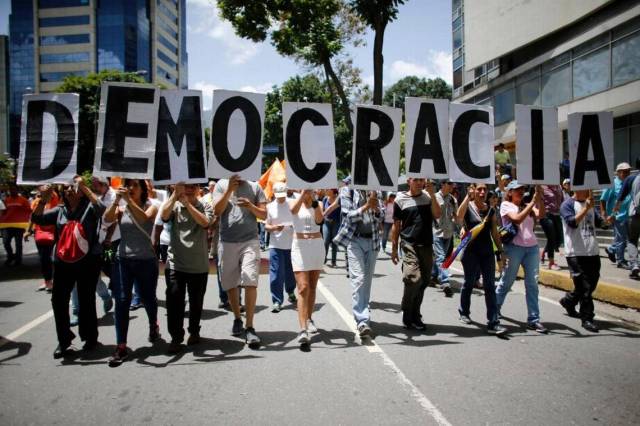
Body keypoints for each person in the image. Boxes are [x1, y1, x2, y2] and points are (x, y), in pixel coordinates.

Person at [31, 178, 105, 358]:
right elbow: (37, 219)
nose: (69, 190)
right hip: (63, 263)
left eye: (72, 187)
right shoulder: (59, 211)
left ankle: (89, 337)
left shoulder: (89, 208)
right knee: (58, 301)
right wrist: (43, 199)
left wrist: (85, 187)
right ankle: (64, 341)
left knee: (86, 300)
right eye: (66, 188)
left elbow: (101, 208)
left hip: (87, 262)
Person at [104, 179, 160, 365]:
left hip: (146, 260)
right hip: (123, 260)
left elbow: (144, 218)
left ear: (143, 190)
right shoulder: (122, 208)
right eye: (128, 185)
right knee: (121, 300)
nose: (130, 188)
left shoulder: (152, 206)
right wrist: (115, 201)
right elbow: (107, 218)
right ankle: (121, 345)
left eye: (135, 185)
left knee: (147, 298)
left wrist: (128, 200)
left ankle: (153, 324)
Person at [212, 175, 267, 348]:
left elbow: (264, 215)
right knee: (230, 284)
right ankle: (237, 318)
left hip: (250, 240)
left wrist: (250, 206)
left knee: (250, 280)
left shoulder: (255, 187)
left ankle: (250, 326)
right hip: (227, 241)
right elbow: (216, 210)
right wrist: (229, 190)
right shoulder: (221, 185)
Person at [161, 183, 213, 354]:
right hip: (176, 263)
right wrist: (175, 195)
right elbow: (164, 216)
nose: (189, 189)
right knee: (174, 301)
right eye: (186, 186)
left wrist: (188, 205)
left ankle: (194, 331)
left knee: (196, 302)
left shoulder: (205, 204)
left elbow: (205, 223)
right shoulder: (174, 203)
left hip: (198, 264)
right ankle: (176, 337)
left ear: (198, 188)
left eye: (193, 186)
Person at [495, 182, 549, 334]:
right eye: (517, 190)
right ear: (510, 192)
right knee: (507, 281)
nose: (520, 192)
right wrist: (532, 202)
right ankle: (494, 311)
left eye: (522, 189)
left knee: (532, 284)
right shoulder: (506, 205)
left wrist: (540, 198)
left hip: (532, 248)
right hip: (514, 248)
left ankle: (534, 319)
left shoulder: (528, 205)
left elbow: (541, 215)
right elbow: (517, 219)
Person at [390, 178, 441, 330]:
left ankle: (415, 314)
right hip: (409, 244)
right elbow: (396, 225)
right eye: (416, 180)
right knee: (412, 278)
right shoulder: (400, 199)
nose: (419, 183)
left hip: (426, 245)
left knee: (424, 281)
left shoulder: (427, 196)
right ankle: (407, 310)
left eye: (422, 180)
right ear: (409, 181)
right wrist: (394, 248)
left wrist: (432, 195)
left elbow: (437, 215)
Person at [455, 183, 506, 335]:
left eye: (485, 189)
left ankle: (493, 321)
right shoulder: (468, 206)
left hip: (487, 253)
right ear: (474, 190)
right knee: (469, 283)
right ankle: (464, 312)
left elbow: (495, 233)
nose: (482, 192)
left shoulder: (490, 209)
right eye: (479, 189)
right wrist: (467, 196)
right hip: (470, 252)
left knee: (490, 286)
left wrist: (501, 251)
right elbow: (458, 217)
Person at [334, 189, 384, 337]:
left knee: (367, 281)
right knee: (359, 279)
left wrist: (375, 207)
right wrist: (366, 206)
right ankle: (362, 320)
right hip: (355, 240)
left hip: (373, 241)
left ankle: (364, 309)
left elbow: (381, 216)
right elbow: (348, 217)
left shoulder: (376, 190)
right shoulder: (347, 191)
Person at [559, 189, 602, 332]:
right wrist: (586, 208)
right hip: (575, 253)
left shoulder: (590, 204)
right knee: (585, 288)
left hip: (592, 251)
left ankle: (568, 301)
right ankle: (587, 318)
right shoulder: (567, 204)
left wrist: (608, 219)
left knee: (591, 284)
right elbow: (572, 222)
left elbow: (600, 223)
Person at [289, 189, 325, 345]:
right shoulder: (294, 201)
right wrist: (303, 194)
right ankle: (302, 329)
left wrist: (314, 201)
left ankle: (309, 318)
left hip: (316, 245)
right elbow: (293, 210)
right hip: (299, 247)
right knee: (303, 287)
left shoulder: (319, 203)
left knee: (312, 286)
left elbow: (319, 220)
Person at [265, 182, 297, 313]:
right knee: (276, 274)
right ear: (274, 193)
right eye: (278, 195)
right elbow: (266, 226)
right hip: (275, 245)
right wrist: (273, 228)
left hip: (292, 244)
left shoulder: (293, 203)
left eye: (283, 195)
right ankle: (277, 301)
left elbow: (299, 220)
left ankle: (290, 291)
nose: (281, 198)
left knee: (291, 273)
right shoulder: (269, 206)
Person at [24, 185, 59, 291]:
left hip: (54, 232)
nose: (43, 188)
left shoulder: (54, 198)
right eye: (41, 187)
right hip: (40, 233)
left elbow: (51, 191)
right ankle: (47, 281)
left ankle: (57, 280)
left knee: (54, 258)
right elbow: (32, 216)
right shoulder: (36, 202)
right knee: (43, 258)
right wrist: (28, 230)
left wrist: (49, 190)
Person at [600, 163, 632, 269]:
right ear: (618, 172)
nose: (626, 173)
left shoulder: (630, 182)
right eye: (624, 171)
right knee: (621, 239)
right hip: (617, 216)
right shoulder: (612, 183)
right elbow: (603, 199)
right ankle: (620, 260)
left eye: (628, 171)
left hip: (629, 215)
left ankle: (611, 249)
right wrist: (604, 213)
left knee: (626, 238)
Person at [432, 180, 457, 297]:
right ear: (442, 184)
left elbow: (456, 215)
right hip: (436, 232)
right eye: (449, 184)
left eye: (452, 184)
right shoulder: (433, 197)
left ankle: (433, 276)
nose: (452, 186)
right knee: (441, 257)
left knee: (440, 258)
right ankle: (445, 282)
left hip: (448, 232)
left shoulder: (453, 199)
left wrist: (460, 227)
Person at [613, 172, 640, 278]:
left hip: (635, 215)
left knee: (632, 240)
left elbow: (620, 197)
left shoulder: (632, 178)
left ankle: (634, 265)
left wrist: (615, 211)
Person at [1, 184, 31, 266]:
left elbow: (28, 211)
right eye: (11, 189)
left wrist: (27, 225)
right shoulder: (6, 200)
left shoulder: (23, 200)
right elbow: (2, 212)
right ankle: (10, 256)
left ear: (17, 190)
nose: (12, 191)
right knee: (5, 242)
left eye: (14, 189)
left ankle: (18, 260)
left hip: (19, 225)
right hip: (7, 225)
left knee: (18, 243)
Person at [539, 185, 564, 270]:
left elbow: (562, 200)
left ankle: (544, 251)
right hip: (546, 214)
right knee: (551, 237)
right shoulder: (542, 187)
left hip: (557, 214)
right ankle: (551, 262)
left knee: (560, 238)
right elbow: (537, 201)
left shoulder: (559, 186)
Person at [322, 188, 340, 266]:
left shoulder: (338, 199)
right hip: (326, 223)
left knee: (334, 242)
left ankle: (333, 261)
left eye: (328, 189)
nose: (326, 190)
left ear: (333, 191)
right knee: (325, 241)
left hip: (336, 223)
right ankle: (324, 258)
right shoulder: (325, 199)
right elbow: (323, 210)